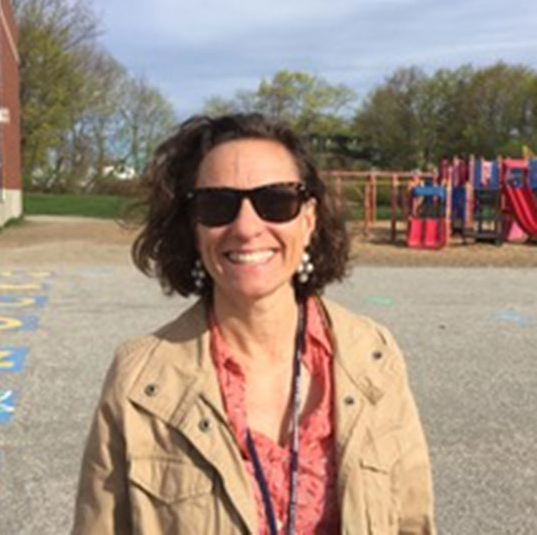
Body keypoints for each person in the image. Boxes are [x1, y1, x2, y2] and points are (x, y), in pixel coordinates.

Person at [72, 113, 436, 534]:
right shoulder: (139, 382)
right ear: (193, 227)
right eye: (217, 205)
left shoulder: (373, 355)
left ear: (309, 217)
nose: (246, 227)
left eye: (276, 201)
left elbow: (413, 519)